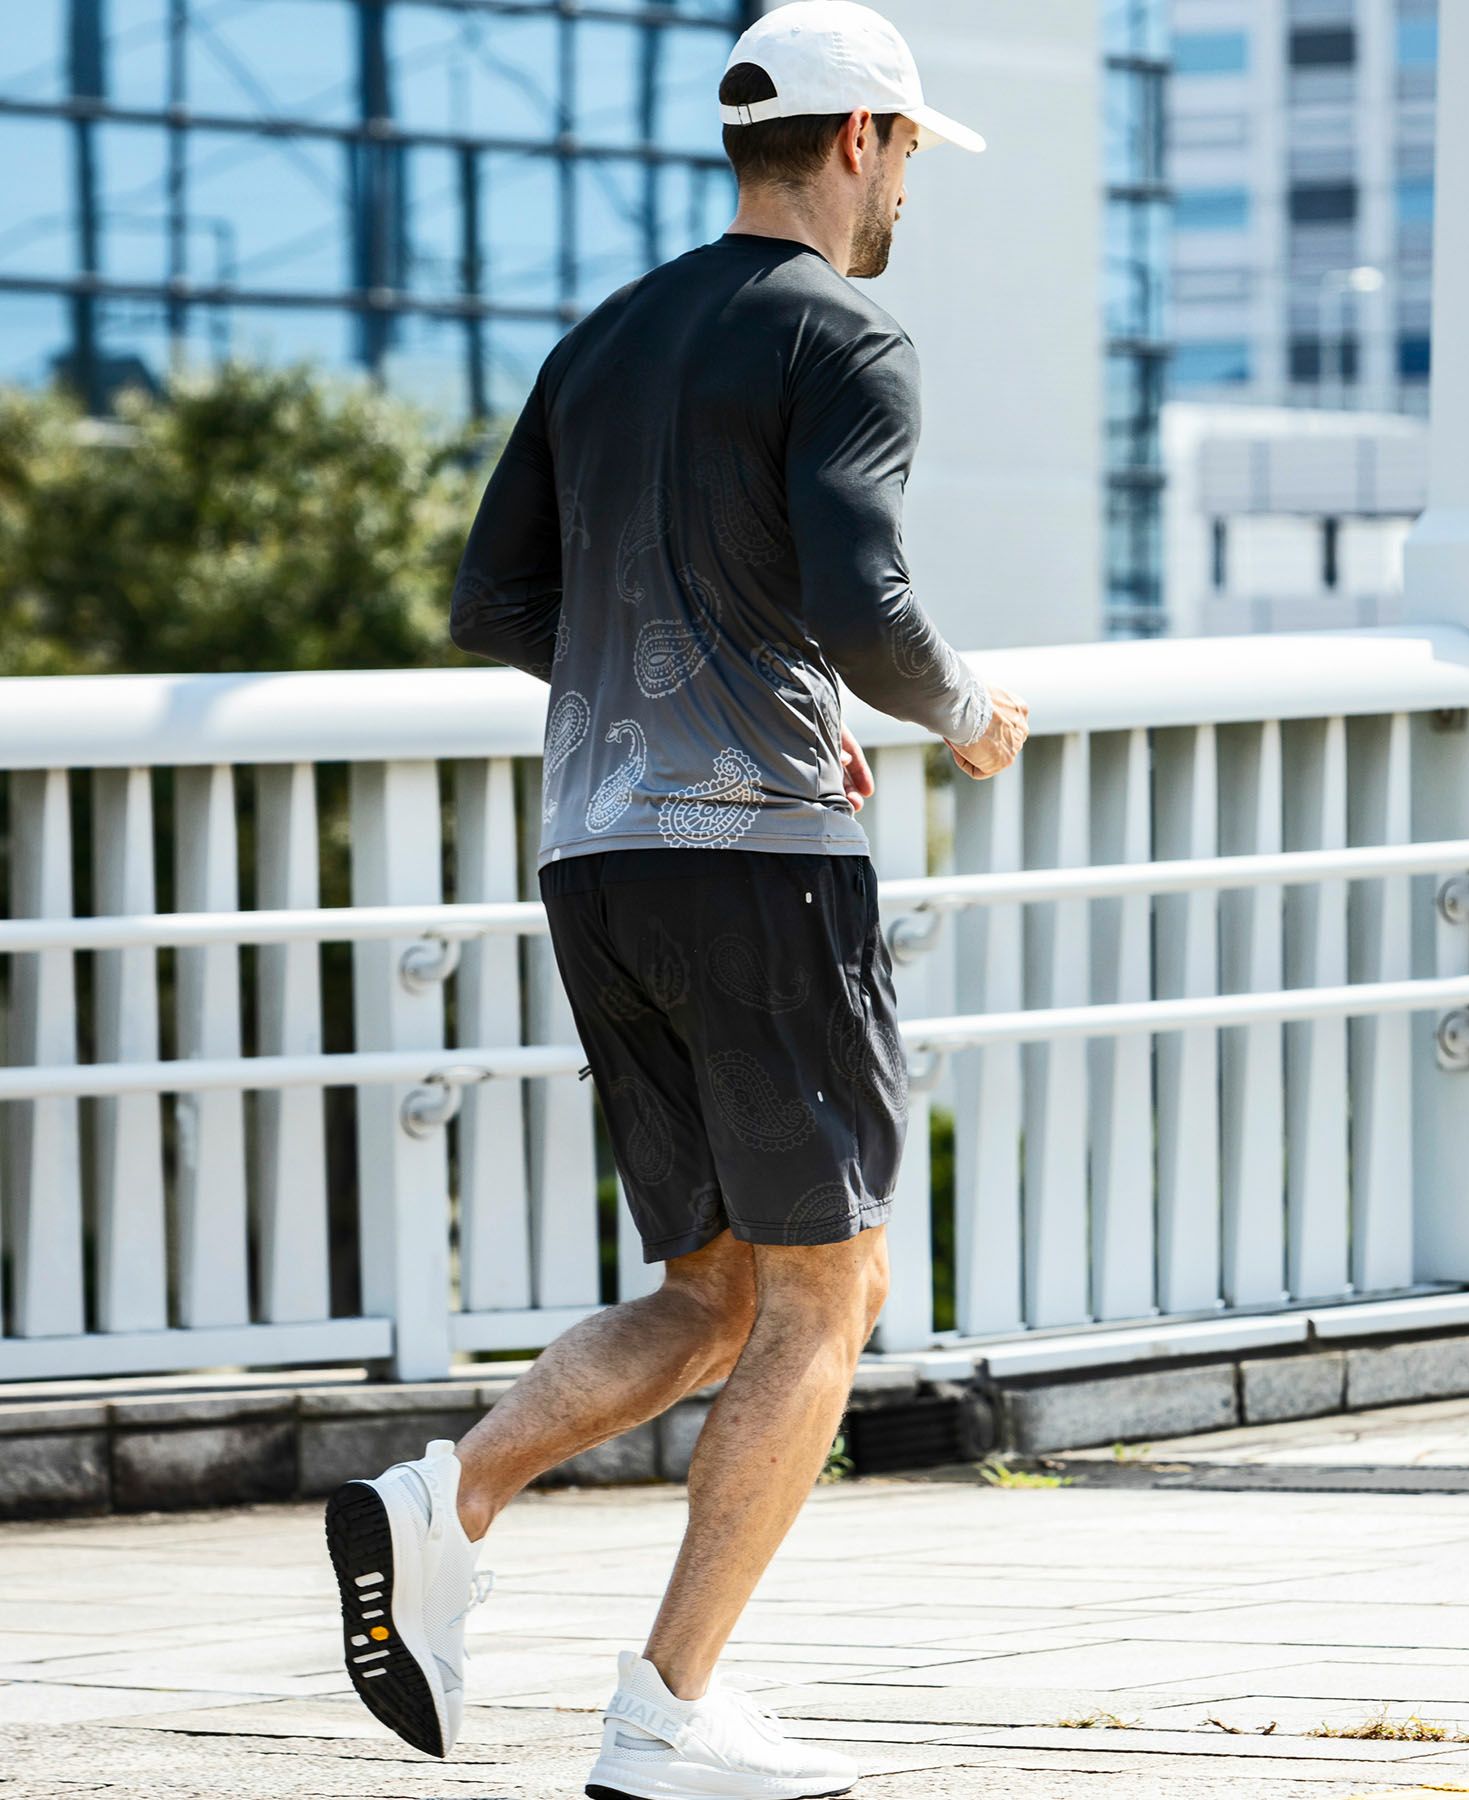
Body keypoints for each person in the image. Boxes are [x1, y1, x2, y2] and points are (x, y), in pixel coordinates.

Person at [324, 4, 1029, 1795]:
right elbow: (865, 601)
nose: (904, 189)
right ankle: (666, 1713)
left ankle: (444, 1497)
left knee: (715, 1291)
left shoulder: (606, 335)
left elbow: (494, 602)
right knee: (830, 1291)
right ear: (861, 139)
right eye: (906, 154)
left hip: (599, 859)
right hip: (759, 863)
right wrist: (962, 706)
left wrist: (669, 686)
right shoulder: (843, 330)